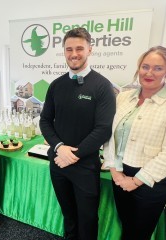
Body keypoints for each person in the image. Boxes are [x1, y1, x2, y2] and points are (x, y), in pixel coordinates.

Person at [103, 46, 166, 240]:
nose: (149, 72)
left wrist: (135, 181)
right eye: (145, 66)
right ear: (138, 69)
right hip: (119, 172)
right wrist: (115, 172)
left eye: (158, 68)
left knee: (139, 232)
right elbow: (110, 136)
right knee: (126, 223)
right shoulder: (123, 97)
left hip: (151, 180)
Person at [39, 27, 116, 240]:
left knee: (88, 218)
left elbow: (103, 129)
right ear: (64, 51)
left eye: (79, 48)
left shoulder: (102, 86)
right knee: (69, 215)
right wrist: (59, 148)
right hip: (58, 163)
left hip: (84, 165)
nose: (74, 54)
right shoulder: (56, 85)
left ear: (90, 50)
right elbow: (45, 121)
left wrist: (73, 155)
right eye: (69, 49)